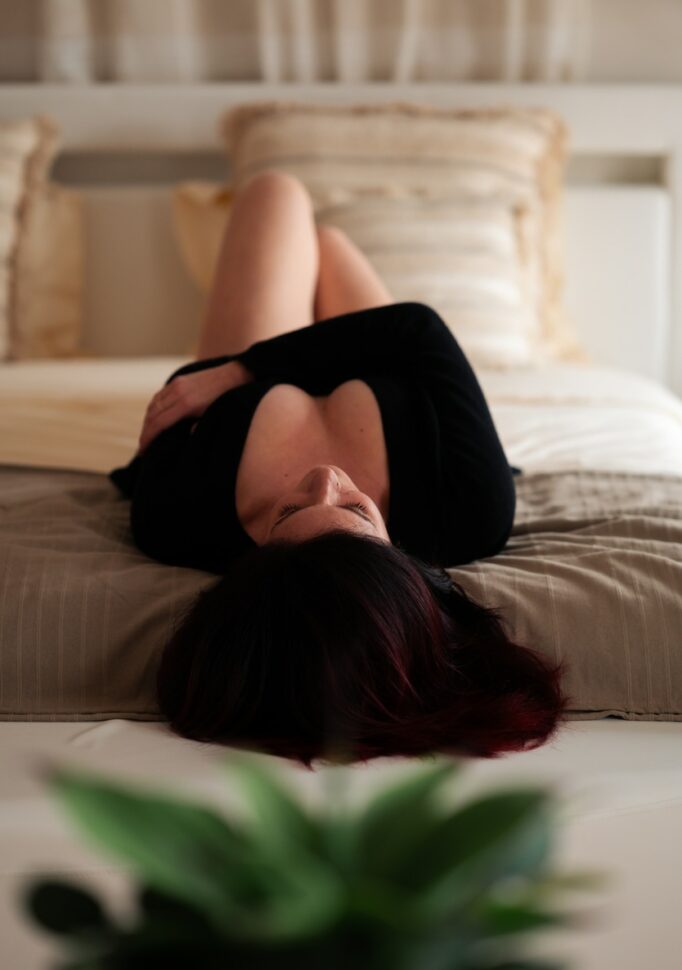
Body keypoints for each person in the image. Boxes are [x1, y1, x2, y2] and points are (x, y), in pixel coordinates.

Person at [109, 171, 570, 769]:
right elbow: (417, 331)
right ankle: (317, 258)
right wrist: (250, 373)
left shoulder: (175, 521)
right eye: (356, 509)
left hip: (259, 359)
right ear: (402, 559)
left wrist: (236, 371)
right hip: (385, 359)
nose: (325, 475)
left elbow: (179, 400)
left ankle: (305, 263)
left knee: (276, 193)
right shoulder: (470, 510)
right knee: (327, 244)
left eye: (291, 511)